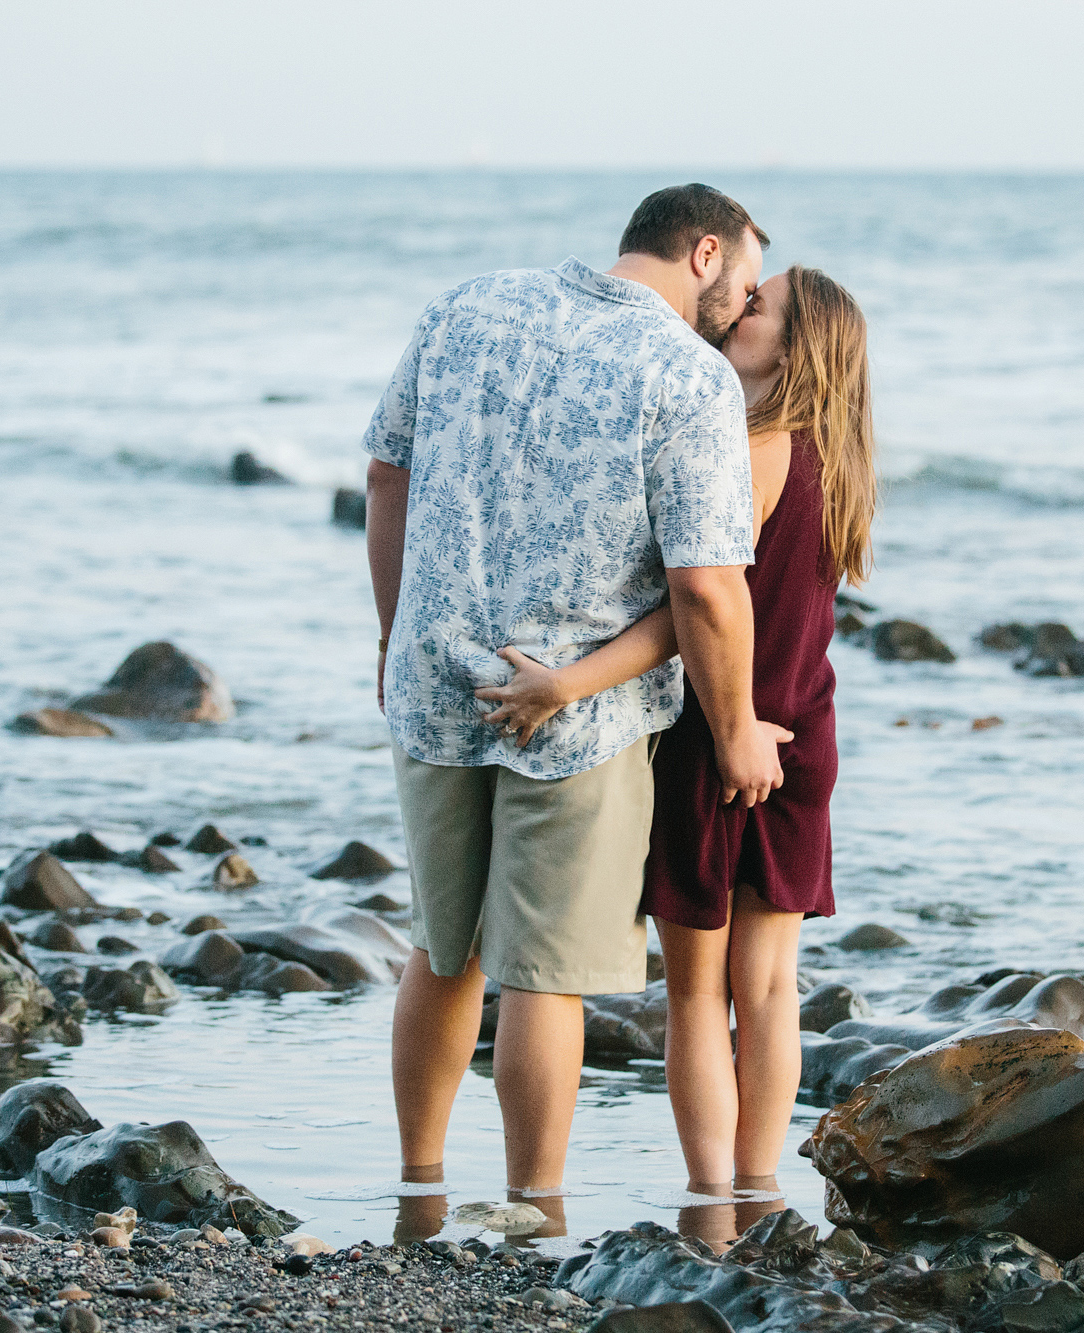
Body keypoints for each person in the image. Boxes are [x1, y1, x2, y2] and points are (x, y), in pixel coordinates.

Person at [362, 184, 790, 1234]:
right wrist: (734, 727)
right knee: (543, 975)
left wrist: (392, 636)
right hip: (577, 715)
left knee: (441, 946)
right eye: (739, 279)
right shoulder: (688, 376)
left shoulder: (468, 306)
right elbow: (704, 585)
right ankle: (532, 1206)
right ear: (703, 252)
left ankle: (420, 1182)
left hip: (437, 679)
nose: (739, 306)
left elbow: (386, 477)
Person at [475, 265, 876, 1241]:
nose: (739, 308)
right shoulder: (836, 461)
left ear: (793, 348)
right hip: (804, 734)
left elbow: (690, 606)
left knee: (698, 990)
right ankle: (757, 1184)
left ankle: (710, 1197)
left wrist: (570, 679)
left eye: (760, 306)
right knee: (773, 984)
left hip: (717, 734)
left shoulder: (747, 448)